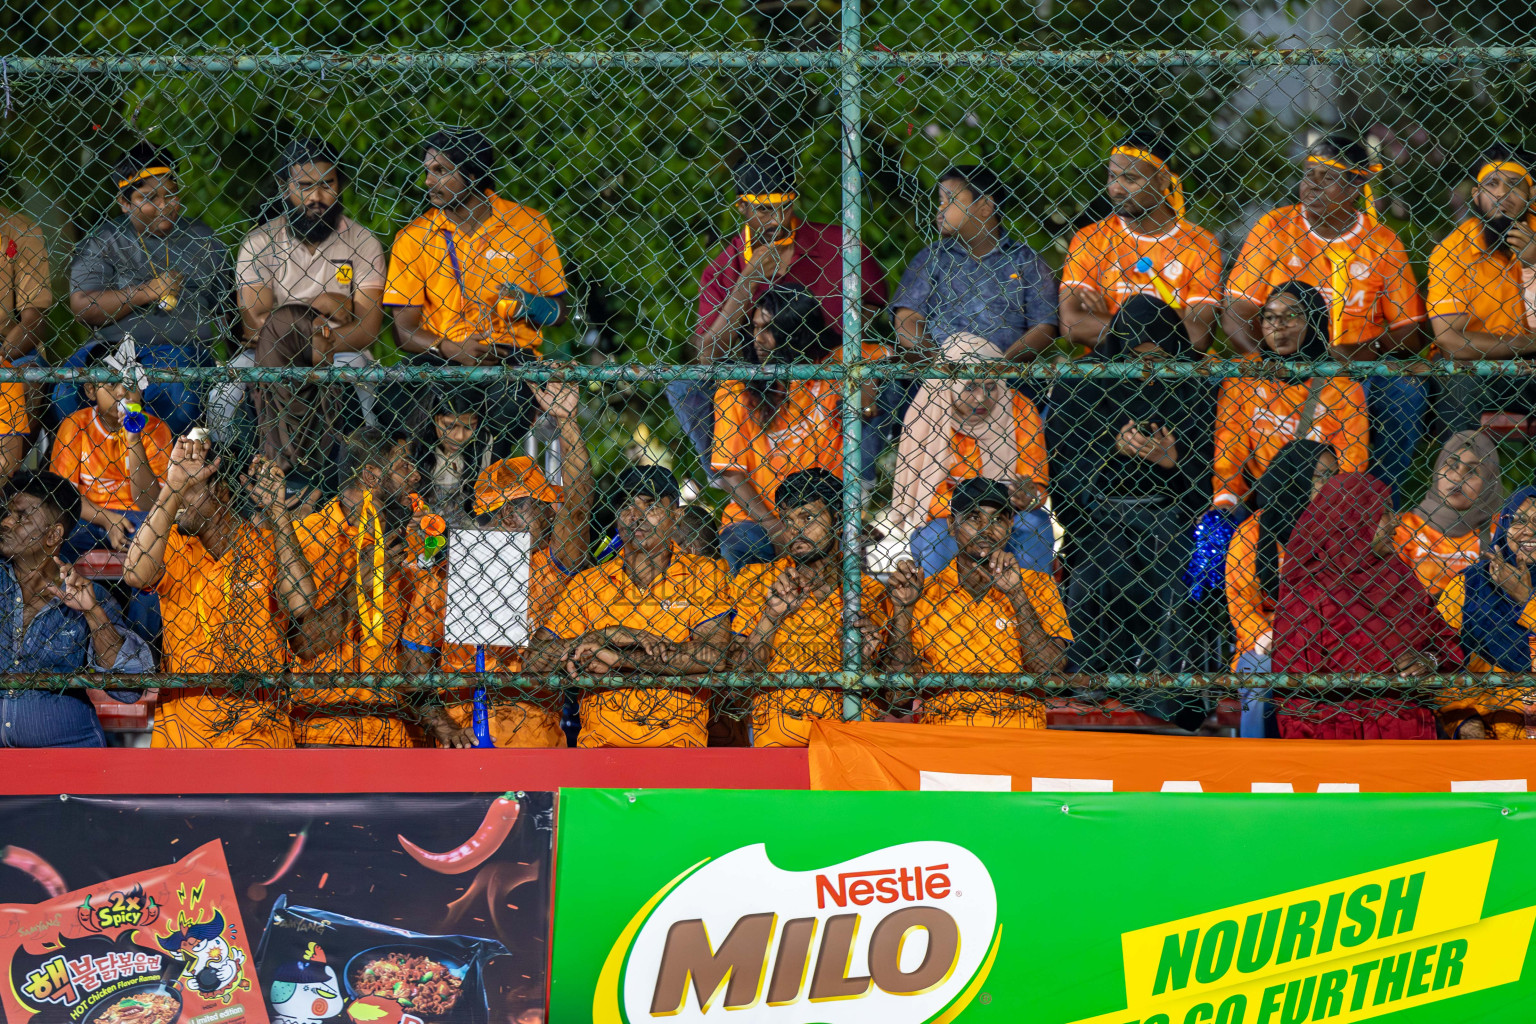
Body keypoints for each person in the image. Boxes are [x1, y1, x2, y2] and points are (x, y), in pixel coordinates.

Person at [1225, 135, 1427, 506]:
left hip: (1357, 370)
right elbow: (1236, 314)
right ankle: (1245, 504)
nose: (1312, 184)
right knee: (1236, 385)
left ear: (1355, 184)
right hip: (1283, 364)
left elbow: (1409, 333)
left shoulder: (1381, 241)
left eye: (1327, 176)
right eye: (1309, 173)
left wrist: (1359, 351)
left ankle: (1374, 510)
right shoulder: (1274, 228)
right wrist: (1274, 361)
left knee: (1405, 392)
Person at [403, 381, 592, 748]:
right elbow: (413, 667)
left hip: (533, 739)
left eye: (524, 506)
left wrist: (566, 419)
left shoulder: (551, 565)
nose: (507, 517)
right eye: (495, 510)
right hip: (457, 736)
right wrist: (445, 729)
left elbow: (579, 504)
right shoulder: (448, 572)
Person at [670, 152, 889, 466]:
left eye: (784, 206)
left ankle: (857, 485)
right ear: (741, 207)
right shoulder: (723, 268)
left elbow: (872, 304)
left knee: (884, 372)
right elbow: (708, 356)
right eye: (763, 209)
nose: (776, 219)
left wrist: (836, 350)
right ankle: (730, 477)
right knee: (684, 385)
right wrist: (748, 281)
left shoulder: (838, 243)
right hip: (759, 378)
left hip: (828, 368)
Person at [1047, 296, 1218, 673]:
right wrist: (1111, 450)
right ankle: (1094, 677)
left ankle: (1167, 686)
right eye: (1133, 359)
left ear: (1175, 353)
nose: (1145, 372)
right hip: (1098, 517)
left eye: (1159, 361)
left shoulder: (1198, 386)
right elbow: (1064, 473)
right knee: (1094, 573)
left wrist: (1172, 463)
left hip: (1172, 518)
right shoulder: (1083, 383)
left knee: (1172, 573)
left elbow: (1210, 482)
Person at [122, 439, 319, 748]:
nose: (180, 502)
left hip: (260, 735)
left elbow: (301, 602)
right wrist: (173, 486)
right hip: (184, 737)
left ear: (221, 491)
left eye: (191, 486)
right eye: (179, 485)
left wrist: (278, 511)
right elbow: (134, 573)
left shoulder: (267, 546)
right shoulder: (173, 545)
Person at [382, 128, 566, 456]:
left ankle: (489, 489)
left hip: (510, 357)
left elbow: (558, 311)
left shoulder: (530, 225)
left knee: (507, 400)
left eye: (440, 171)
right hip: (439, 356)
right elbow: (403, 331)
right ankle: (418, 492)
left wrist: (529, 305)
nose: (427, 181)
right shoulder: (412, 237)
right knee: (396, 396)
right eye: (427, 170)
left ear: (472, 174)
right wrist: (448, 348)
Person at [526, 466, 734, 748]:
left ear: (676, 515)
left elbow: (713, 656)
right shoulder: (588, 583)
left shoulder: (704, 573)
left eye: (650, 506)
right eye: (625, 506)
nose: (636, 516)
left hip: (679, 744)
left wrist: (620, 660)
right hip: (600, 746)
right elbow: (535, 660)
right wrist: (604, 636)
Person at [230, 138, 386, 485]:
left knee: (362, 384)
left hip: (341, 353)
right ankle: (235, 484)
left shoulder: (364, 243)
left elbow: (367, 329)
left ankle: (358, 484)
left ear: (340, 185)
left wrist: (309, 337)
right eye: (304, 186)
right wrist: (322, 306)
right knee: (222, 394)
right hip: (267, 354)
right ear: (287, 188)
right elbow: (255, 322)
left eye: (326, 185)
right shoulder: (259, 242)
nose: (316, 198)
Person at [1271, 472, 1460, 740]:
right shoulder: (1309, 587)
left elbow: (1443, 640)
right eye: (1384, 513)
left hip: (1408, 731)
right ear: (1353, 521)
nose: (1396, 523)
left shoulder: (1399, 576)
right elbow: (1296, 694)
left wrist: (1428, 660)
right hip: (1337, 740)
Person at [63, 143, 231, 435]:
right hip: (111, 352)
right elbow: (82, 305)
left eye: (172, 195)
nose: (165, 205)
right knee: (65, 389)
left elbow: (229, 308)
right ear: (125, 202)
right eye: (150, 197)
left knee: (179, 392)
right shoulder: (105, 239)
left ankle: (169, 472)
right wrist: (147, 292)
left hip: (182, 351)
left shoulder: (203, 238)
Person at [885, 478, 1071, 728]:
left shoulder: (1038, 585)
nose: (987, 528)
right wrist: (902, 610)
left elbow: (1049, 674)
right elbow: (898, 701)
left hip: (1020, 732)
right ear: (952, 525)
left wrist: (1017, 596)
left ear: (1010, 525)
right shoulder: (925, 592)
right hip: (946, 734)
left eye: (997, 519)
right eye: (974, 517)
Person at [287, 428, 426, 748]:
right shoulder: (310, 537)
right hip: (325, 729)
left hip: (397, 733)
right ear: (371, 477)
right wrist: (360, 584)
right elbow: (306, 645)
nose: (417, 477)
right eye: (404, 466)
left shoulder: (411, 540)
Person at [733, 469, 886, 746]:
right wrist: (771, 616)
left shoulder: (869, 591)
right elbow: (738, 686)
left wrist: (861, 661)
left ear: (839, 521)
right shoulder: (755, 580)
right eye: (788, 520)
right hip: (777, 737)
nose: (796, 530)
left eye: (808, 517)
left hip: (848, 738)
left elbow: (890, 697)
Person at [0, 471, 153, 747]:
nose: (6, 523)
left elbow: (129, 689)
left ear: (52, 535)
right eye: (7, 513)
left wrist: (92, 613)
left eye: (21, 517)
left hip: (67, 750)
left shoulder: (90, 597)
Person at [711, 284, 846, 572]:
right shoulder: (736, 387)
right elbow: (732, 473)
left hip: (823, 512)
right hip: (757, 517)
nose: (758, 339)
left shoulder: (833, 365)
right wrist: (773, 525)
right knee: (741, 540)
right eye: (754, 327)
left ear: (796, 331)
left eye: (770, 329)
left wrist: (866, 398)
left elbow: (887, 357)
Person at [894, 332, 1052, 575]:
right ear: (948, 383)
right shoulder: (927, 413)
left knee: (1035, 523)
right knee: (937, 534)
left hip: (1006, 513)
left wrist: (1029, 496)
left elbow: (1035, 485)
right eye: (970, 387)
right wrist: (974, 510)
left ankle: (1032, 605)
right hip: (950, 515)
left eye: (991, 387)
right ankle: (939, 607)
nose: (982, 398)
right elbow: (923, 496)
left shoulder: (1020, 408)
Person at [1059, 129, 1224, 354]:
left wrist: (1112, 322)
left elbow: (1198, 336)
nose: (1115, 188)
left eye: (1130, 178)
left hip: (1179, 375)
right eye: (1112, 176)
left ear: (1162, 179)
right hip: (1107, 372)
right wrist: (1173, 323)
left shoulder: (1200, 244)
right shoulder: (1090, 238)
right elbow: (1071, 325)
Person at [1211, 281, 1368, 511]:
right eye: (1270, 316)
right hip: (1259, 497)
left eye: (1291, 315)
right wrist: (1226, 499)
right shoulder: (1245, 373)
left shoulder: (1341, 384)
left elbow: (1352, 460)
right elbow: (1230, 442)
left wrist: (1334, 508)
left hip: (1319, 502)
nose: (1278, 326)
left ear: (1314, 321)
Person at [1224, 440, 1337, 736]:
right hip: (1269, 641)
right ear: (1293, 477)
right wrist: (1267, 636)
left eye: (1333, 476)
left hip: (1330, 638)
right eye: (1319, 476)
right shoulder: (1252, 532)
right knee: (1262, 674)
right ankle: (1259, 761)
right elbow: (1241, 601)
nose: (1328, 485)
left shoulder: (1341, 529)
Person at [1428, 146, 1536, 431]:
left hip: (1531, 367)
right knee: (1459, 380)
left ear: (1531, 195)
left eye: (1514, 185)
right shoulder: (1452, 250)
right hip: (1475, 365)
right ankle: (1460, 470)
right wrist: (1527, 344)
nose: (1502, 194)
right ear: (1476, 195)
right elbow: (1451, 341)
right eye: (1492, 184)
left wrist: (1532, 265)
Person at [51, 339, 173, 561]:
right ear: (90, 390)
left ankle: (143, 593)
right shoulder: (75, 425)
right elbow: (62, 496)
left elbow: (150, 503)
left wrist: (134, 439)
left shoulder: (156, 429)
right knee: (57, 532)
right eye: (111, 384)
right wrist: (107, 518)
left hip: (137, 519)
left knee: (157, 536)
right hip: (86, 517)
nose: (122, 393)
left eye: (130, 384)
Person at [1433, 487, 1536, 738]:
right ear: (1502, 526)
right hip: (1490, 732)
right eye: (1519, 521)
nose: (1530, 531)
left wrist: (1526, 600)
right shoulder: (1470, 585)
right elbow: (1440, 654)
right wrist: (1462, 720)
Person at [1393, 430, 1502, 598]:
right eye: (1451, 466)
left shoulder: (1504, 529)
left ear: (1488, 483)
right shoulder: (1403, 526)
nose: (1458, 477)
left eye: (1471, 471)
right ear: (1437, 470)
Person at [417, 390, 490, 528]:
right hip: (422, 532)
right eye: (450, 426)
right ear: (433, 417)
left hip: (465, 531)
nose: (459, 437)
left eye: (470, 427)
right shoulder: (414, 446)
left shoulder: (482, 443)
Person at [0, 198, 52, 363]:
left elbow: (33, 320)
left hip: (6, 345)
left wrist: (2, 358)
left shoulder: (21, 231)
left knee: (27, 380)